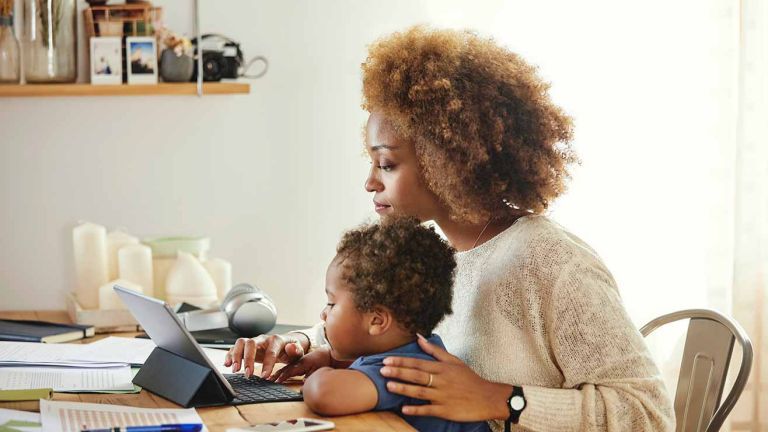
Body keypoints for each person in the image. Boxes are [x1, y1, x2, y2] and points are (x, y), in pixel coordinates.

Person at [225, 26, 674, 431]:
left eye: (386, 163)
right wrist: (299, 342)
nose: (370, 181)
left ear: (450, 160)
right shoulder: (435, 252)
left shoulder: (551, 261)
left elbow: (649, 413)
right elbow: (382, 326)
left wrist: (503, 400)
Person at [292, 217, 489, 432]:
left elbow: (324, 394)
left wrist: (320, 375)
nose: (323, 314)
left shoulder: (404, 370)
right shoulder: (422, 348)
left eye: (331, 303)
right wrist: (329, 357)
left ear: (377, 320)